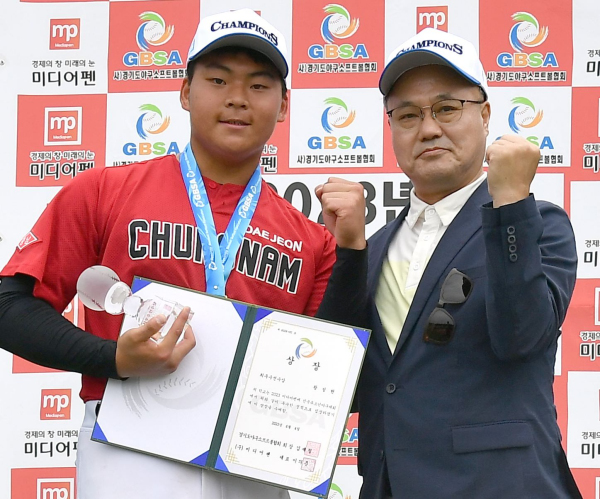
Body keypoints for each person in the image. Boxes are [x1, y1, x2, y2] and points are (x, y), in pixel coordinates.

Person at [0, 9, 365, 499]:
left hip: (247, 459)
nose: (237, 98)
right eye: (218, 80)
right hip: (129, 446)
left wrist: (352, 253)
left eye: (259, 85)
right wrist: (113, 357)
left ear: (283, 106)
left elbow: (335, 376)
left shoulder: (311, 237)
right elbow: (9, 306)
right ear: (186, 92)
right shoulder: (104, 191)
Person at [350, 28, 582, 498]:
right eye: (408, 115)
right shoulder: (370, 249)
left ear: (486, 114)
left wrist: (512, 202)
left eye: (447, 108)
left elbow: (522, 337)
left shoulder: (537, 223)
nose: (429, 128)